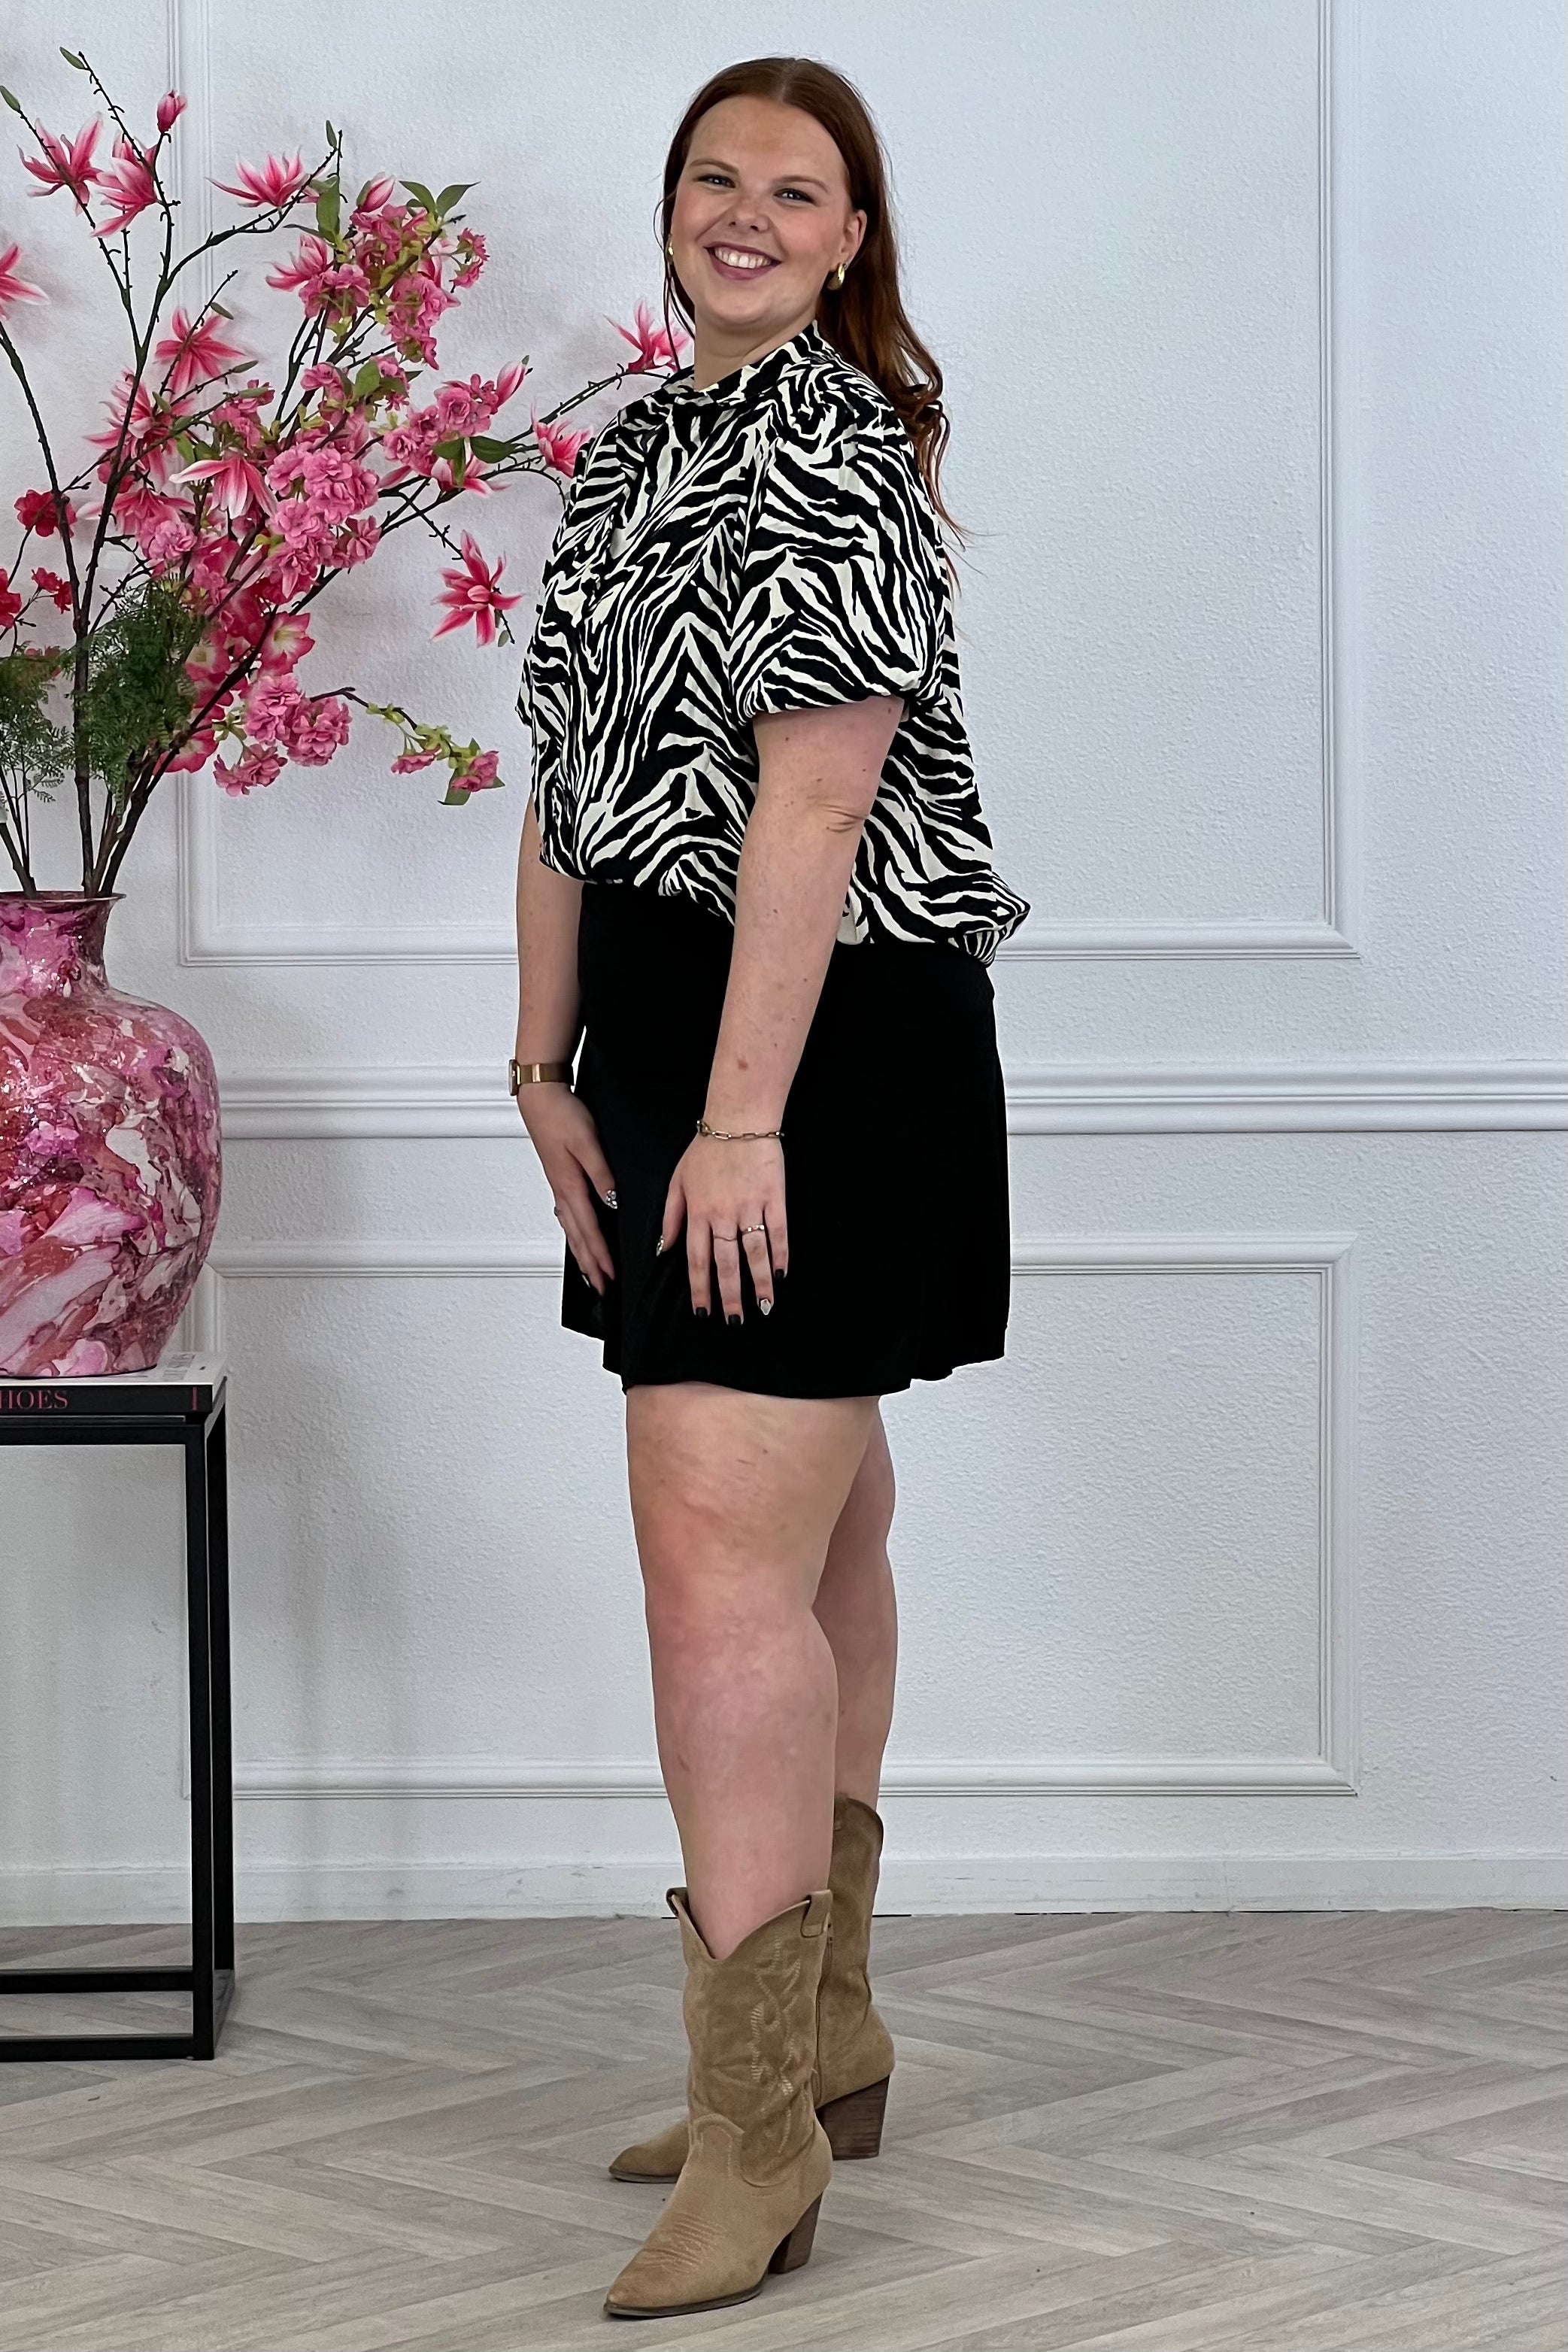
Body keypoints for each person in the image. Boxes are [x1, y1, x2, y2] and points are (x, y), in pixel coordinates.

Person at [511, 53, 1030, 2323]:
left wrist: (737, 1123)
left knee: (715, 1560)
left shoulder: (832, 446)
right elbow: (564, 780)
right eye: (712, 177)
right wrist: (541, 1061)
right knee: (814, 1531)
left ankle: (757, 2140)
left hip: (816, 1038)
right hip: (667, 1024)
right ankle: (816, 2042)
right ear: (672, 211)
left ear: (850, 239)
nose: (744, 212)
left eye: (794, 191)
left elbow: (812, 811)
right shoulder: (631, 449)